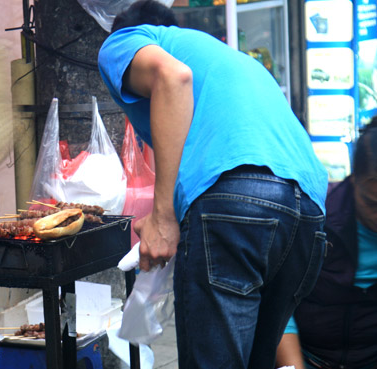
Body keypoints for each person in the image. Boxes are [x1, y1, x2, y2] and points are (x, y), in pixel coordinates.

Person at [98, 1, 329, 368]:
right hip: (309, 211)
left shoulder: (125, 40)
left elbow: (172, 78)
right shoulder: (229, 60)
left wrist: (163, 217)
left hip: (237, 197)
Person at [275, 119, 377, 369]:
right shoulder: (314, 219)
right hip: (308, 358)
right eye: (373, 205)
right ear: (353, 180)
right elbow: (278, 305)